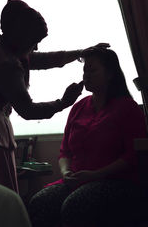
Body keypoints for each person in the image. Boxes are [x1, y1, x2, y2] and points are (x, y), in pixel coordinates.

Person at [0, 0, 106, 193]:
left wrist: (79, 53)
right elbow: (28, 110)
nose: (37, 47)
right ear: (22, 37)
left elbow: (39, 59)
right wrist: (63, 102)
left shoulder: (1, 48)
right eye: (35, 42)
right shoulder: (6, 63)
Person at [28, 47, 148, 227]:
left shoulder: (127, 108)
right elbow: (65, 152)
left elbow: (132, 157)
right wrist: (66, 172)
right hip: (77, 180)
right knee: (40, 202)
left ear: (110, 74)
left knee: (76, 205)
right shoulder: (79, 107)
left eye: (92, 70)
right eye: (84, 70)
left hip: (116, 181)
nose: (86, 75)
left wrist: (96, 174)